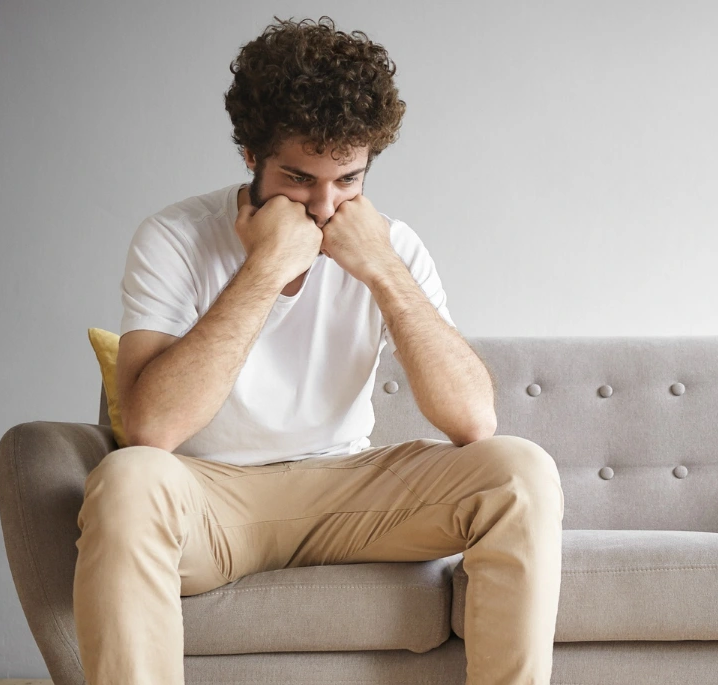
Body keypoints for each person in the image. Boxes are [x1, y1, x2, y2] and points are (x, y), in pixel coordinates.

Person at [73, 16, 564, 685]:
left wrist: (385, 271)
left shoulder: (393, 244)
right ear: (250, 153)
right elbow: (152, 427)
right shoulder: (175, 237)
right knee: (125, 481)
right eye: (299, 178)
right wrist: (265, 271)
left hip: (348, 490)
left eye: (349, 180)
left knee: (520, 470)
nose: (325, 206)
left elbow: (472, 420)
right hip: (212, 497)